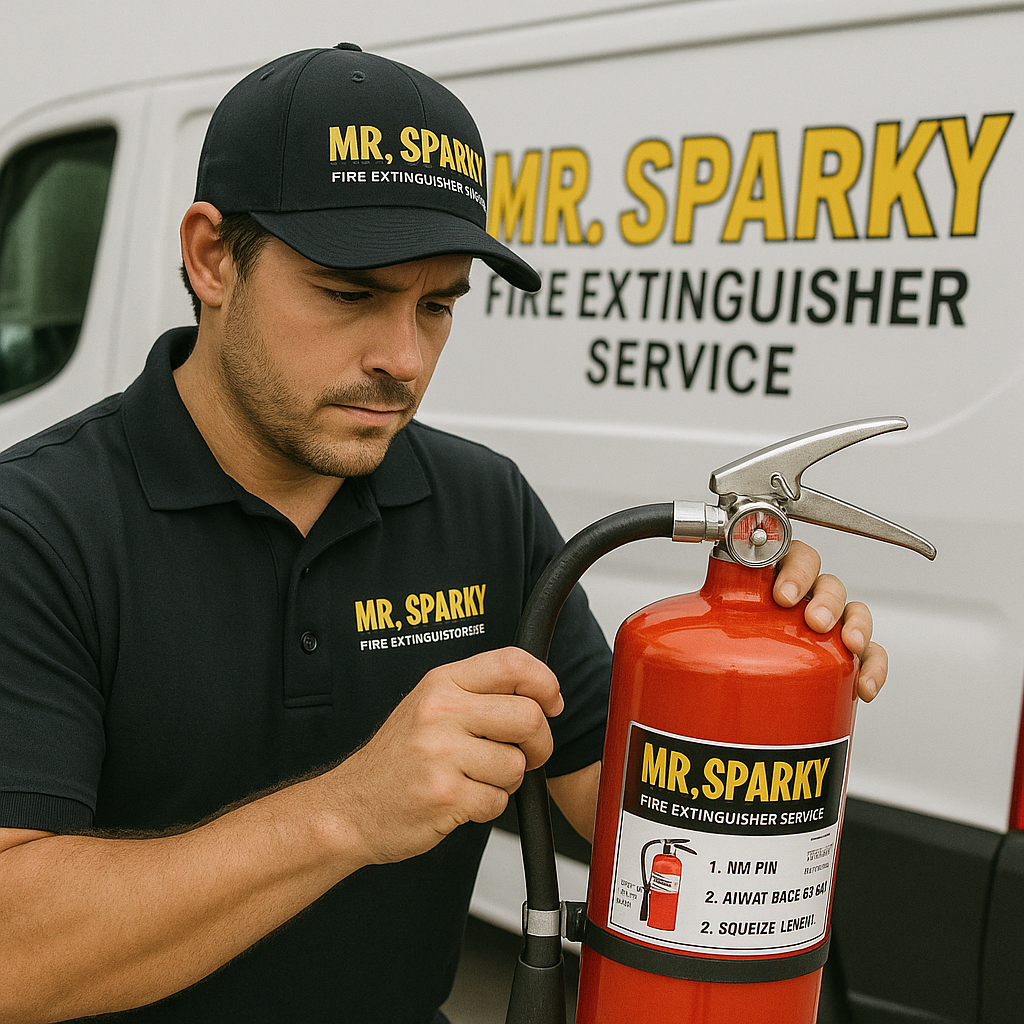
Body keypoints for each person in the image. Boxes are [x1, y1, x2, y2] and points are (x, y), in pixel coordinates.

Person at [0, 44, 884, 1024]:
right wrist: (345, 810)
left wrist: (770, 691)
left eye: (438, 305)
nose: (402, 358)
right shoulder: (37, 531)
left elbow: (629, 826)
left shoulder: (481, 504)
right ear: (212, 257)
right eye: (349, 295)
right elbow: (13, 953)